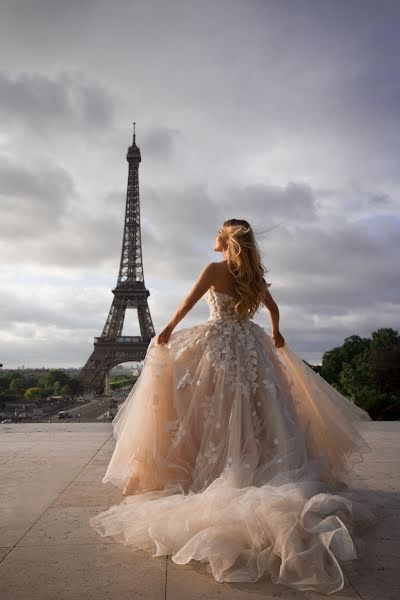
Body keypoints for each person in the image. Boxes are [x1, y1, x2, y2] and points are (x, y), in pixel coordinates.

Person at [89, 219, 376, 594]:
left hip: (221, 342)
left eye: (217, 233)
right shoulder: (251, 273)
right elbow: (273, 309)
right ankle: (253, 461)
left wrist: (168, 331)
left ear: (226, 240)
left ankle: (209, 468)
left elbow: (186, 305)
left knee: (212, 406)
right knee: (258, 407)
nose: (212, 237)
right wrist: (274, 333)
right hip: (249, 342)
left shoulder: (213, 269)